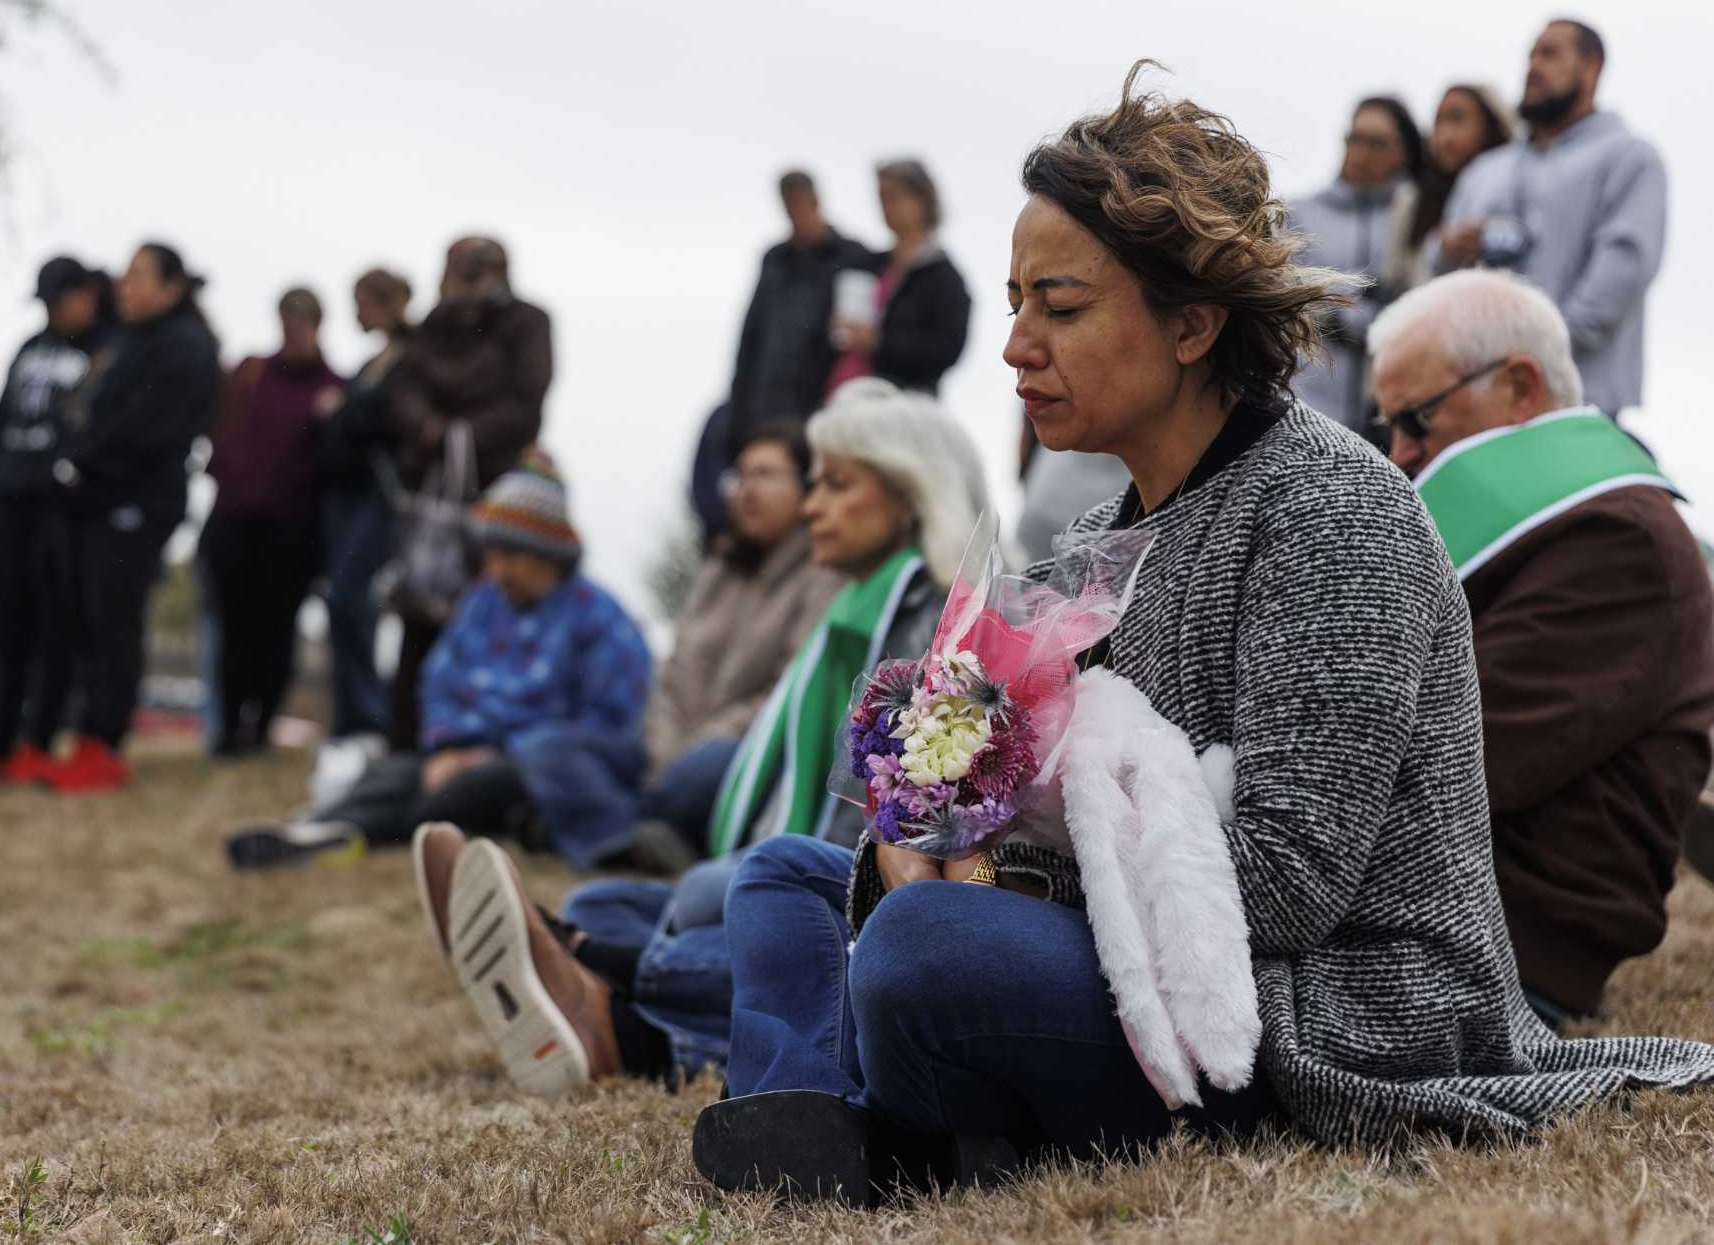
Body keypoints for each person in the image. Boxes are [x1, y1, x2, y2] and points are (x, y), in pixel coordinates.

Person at [691, 66, 1714, 1207]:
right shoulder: (1095, 537)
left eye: (1060, 307)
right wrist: (934, 824)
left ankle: (888, 1114)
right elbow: (1068, 809)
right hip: (1145, 960)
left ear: (1189, 324)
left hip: (1315, 1016)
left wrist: (994, 890)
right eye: (1016, 300)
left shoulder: (1331, 513)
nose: (1015, 344)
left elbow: (1286, 888)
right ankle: (845, 1123)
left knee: (928, 952)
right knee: (783, 877)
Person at [417, 379, 989, 1094]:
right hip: (742, 817)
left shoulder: (941, 629)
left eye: (837, 484)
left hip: (863, 889)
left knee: (734, 893)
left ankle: (607, 984)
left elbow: (888, 846)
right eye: (812, 484)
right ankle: (603, 984)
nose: (812, 505)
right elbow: (676, 674)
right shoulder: (840, 609)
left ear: (912, 494)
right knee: (632, 899)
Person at [1366, 270, 1714, 1027]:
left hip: (1489, 951)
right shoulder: (1583, 528)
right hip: (1431, 917)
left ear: (1520, 387)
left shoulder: (1621, 543)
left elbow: (1446, 760)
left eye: (1417, 420)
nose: (1399, 454)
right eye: (1386, 427)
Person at [227, 452, 649, 867]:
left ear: (550, 554)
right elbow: (440, 681)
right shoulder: (483, 603)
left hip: (536, 771)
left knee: (468, 790)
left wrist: (497, 756)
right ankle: (321, 828)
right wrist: (448, 749)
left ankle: (351, 831)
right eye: (491, 554)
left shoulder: (600, 619)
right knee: (391, 774)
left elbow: (609, 728)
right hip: (459, 758)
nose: (498, 570)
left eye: (513, 555)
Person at [512, 421, 845, 873]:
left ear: (804, 488)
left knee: (701, 773)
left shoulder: (823, 574)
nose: (747, 489)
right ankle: (628, 839)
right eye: (740, 476)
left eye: (765, 475)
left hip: (731, 752)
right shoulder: (720, 568)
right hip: (663, 749)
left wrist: (693, 749)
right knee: (546, 748)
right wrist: (665, 745)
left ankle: (591, 827)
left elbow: (786, 694)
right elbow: (671, 675)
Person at [46, 242, 221, 793]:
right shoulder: (124, 342)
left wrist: (88, 459)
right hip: (97, 502)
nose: (126, 286)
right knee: (87, 619)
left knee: (114, 619)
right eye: (125, 276)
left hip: (139, 504)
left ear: (172, 287)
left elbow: (148, 431)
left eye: (141, 276)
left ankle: (106, 744)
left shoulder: (185, 348)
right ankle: (86, 738)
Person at [0, 257, 115, 787]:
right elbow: (1, 418)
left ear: (86, 295)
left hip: (60, 512)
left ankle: (38, 742)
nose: (52, 311)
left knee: (54, 629)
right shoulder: (30, 347)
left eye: (58, 299)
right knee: (3, 627)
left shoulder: (108, 350)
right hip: (7, 502)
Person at [1436, 19, 1667, 417]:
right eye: (1530, 55)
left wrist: (1528, 357)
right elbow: (1436, 275)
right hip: (1473, 408)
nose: (1533, 66)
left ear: (1592, 67)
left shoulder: (1629, 158)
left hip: (1577, 404)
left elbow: (1619, 277)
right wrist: (1448, 250)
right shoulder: (1486, 169)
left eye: (1549, 53)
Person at [383, 237, 553, 747]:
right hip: (432, 497)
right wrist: (429, 428)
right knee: (422, 616)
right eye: (459, 271)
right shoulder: (435, 328)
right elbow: (404, 385)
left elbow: (527, 397)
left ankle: (481, 736)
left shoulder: (527, 324)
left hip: (498, 490)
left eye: (477, 271)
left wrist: (464, 431)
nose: (467, 282)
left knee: (498, 610)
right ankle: (407, 739)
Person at [196, 287, 343, 757]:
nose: (294, 329)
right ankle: (228, 728)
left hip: (292, 529)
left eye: (303, 321)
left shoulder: (334, 387)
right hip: (235, 517)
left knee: (276, 630)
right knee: (232, 627)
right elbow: (218, 423)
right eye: (288, 319)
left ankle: (260, 728)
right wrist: (225, 467)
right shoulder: (251, 373)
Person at [312, 267, 415, 791]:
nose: (355, 314)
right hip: (344, 496)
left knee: (356, 598)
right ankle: (351, 718)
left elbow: (387, 423)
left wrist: (345, 412)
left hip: (379, 497)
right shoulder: (369, 365)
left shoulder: (410, 360)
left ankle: (370, 718)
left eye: (361, 302)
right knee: (340, 602)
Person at [1287, 96, 1421, 429]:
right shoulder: (1299, 213)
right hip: (1307, 401)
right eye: (1354, 139)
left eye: (1376, 143)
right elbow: (1281, 291)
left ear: (1403, 152)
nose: (1361, 153)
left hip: (1386, 410)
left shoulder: (1417, 216)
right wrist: (1338, 314)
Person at [726, 170, 875, 444]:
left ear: (815, 201)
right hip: (768, 402)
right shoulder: (775, 260)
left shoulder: (854, 256)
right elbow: (751, 336)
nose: (795, 212)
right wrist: (738, 411)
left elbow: (858, 338)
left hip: (824, 400)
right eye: (788, 204)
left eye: (799, 203)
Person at [826, 160, 971, 400]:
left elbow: (946, 350)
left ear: (921, 199)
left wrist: (880, 343)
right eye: (882, 199)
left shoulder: (944, 278)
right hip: (843, 393)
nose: (886, 207)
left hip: (901, 405)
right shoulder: (867, 263)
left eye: (894, 197)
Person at [1386, 85, 1515, 295]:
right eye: (1438, 121)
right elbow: (1394, 279)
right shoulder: (1412, 199)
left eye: (1457, 118)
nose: (1444, 134)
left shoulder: (1512, 185)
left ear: (1491, 125)